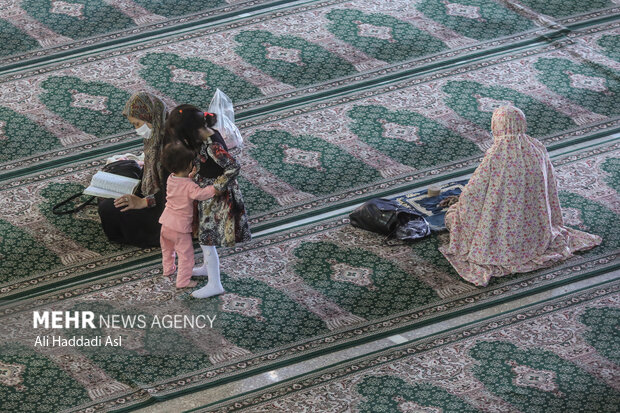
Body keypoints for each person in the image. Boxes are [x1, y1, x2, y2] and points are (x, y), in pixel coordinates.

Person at [439, 105, 601, 287]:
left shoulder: (497, 154)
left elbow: (473, 194)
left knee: (455, 218)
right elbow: (551, 185)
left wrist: (458, 205)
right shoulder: (537, 147)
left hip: (501, 238)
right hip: (537, 233)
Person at [165, 105, 251, 298]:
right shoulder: (209, 135)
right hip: (207, 193)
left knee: (206, 240)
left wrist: (217, 187)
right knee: (206, 239)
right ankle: (206, 268)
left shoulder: (213, 146)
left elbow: (233, 167)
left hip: (216, 198)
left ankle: (215, 284)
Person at [98, 92, 168, 247]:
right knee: (122, 170)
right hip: (154, 193)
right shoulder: (156, 137)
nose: (137, 130)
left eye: (137, 124)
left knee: (109, 208)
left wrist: (144, 201)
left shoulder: (172, 149)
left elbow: (175, 191)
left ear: (150, 117)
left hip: (167, 210)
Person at [159, 141, 215, 288]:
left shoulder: (171, 179)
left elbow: (182, 185)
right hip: (179, 228)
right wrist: (215, 188)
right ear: (189, 165)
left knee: (167, 250)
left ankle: (168, 269)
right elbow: (200, 194)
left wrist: (189, 175)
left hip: (166, 223)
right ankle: (183, 281)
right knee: (186, 256)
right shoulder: (190, 186)